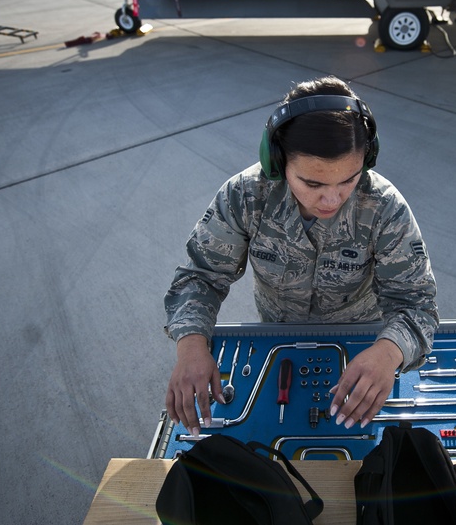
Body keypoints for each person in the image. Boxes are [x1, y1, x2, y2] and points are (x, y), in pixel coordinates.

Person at [164, 76, 439, 436]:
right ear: (277, 161)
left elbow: (416, 304)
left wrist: (388, 354)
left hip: (366, 350)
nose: (332, 199)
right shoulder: (245, 196)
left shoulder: (385, 208)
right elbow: (200, 276)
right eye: (312, 183)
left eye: (349, 179)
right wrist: (191, 347)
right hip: (277, 340)